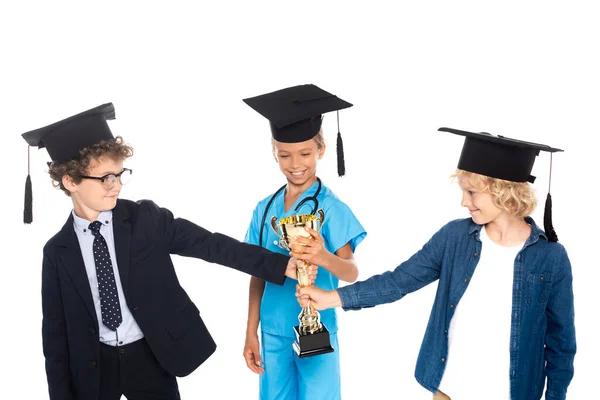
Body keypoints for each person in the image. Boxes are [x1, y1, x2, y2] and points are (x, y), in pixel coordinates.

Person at [20, 102, 315, 400]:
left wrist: (280, 265)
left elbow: (211, 245)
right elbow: (55, 336)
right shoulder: (58, 252)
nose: (117, 186)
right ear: (70, 181)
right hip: (94, 367)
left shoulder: (145, 219)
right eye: (106, 178)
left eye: (120, 174)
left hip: (150, 356)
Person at [297, 127, 576, 400]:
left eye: (472, 193)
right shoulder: (455, 237)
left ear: (503, 192)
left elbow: (561, 343)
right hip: (448, 388)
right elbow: (399, 281)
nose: (463, 202)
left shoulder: (551, 257)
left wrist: (556, 395)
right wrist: (331, 298)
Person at [241, 84, 367, 400]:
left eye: (305, 153)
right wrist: (250, 332)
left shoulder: (331, 208)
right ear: (275, 153)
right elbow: (257, 273)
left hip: (317, 330)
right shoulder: (264, 209)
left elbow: (351, 273)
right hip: (272, 329)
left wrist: (322, 255)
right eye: (285, 155)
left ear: (321, 151)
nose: (295, 163)